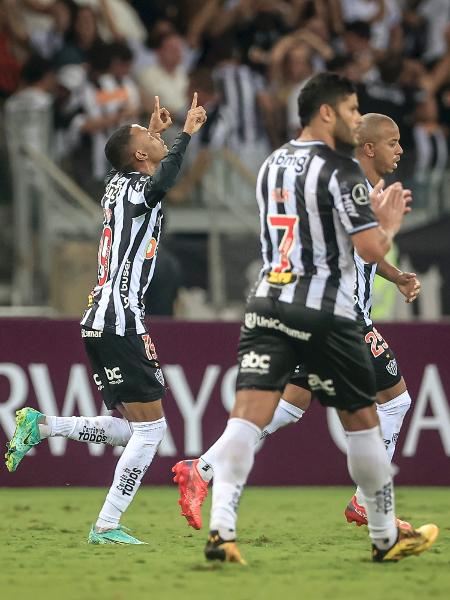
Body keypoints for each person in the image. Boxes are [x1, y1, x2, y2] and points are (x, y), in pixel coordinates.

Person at [173, 72, 438, 564]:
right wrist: (389, 224)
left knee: (256, 415)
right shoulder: (343, 173)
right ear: (327, 113)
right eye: (352, 111)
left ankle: (219, 526)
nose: (356, 121)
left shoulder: (273, 163)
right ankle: (382, 532)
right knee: (368, 419)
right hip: (327, 309)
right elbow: (366, 244)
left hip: (270, 303)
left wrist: (392, 271)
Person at [5, 93, 207, 545]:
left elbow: (148, 167)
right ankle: (107, 524)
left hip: (103, 317)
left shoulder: (117, 186)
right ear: (138, 155)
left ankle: (41, 426)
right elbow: (163, 179)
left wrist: (153, 134)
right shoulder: (138, 187)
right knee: (152, 430)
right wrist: (186, 134)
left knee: (133, 429)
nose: (156, 138)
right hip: (118, 320)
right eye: (146, 137)